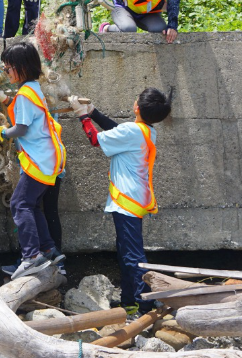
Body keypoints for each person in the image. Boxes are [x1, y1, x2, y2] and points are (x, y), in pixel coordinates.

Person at [69, 88, 172, 313]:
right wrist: (93, 112)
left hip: (125, 202)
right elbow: (117, 130)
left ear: (137, 107)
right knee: (126, 253)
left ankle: (144, 303)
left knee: (133, 255)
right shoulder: (145, 131)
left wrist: (82, 115)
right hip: (134, 201)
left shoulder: (132, 131)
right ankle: (129, 302)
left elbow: (96, 140)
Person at [0, 42, 66, 279]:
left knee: (19, 204)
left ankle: (31, 257)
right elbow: (27, 116)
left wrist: (1, 132)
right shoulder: (33, 89)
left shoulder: (24, 95)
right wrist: (7, 100)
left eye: (9, 68)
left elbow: (20, 128)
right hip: (49, 159)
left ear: (21, 68)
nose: (6, 71)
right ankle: (49, 249)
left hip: (39, 161)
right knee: (31, 205)